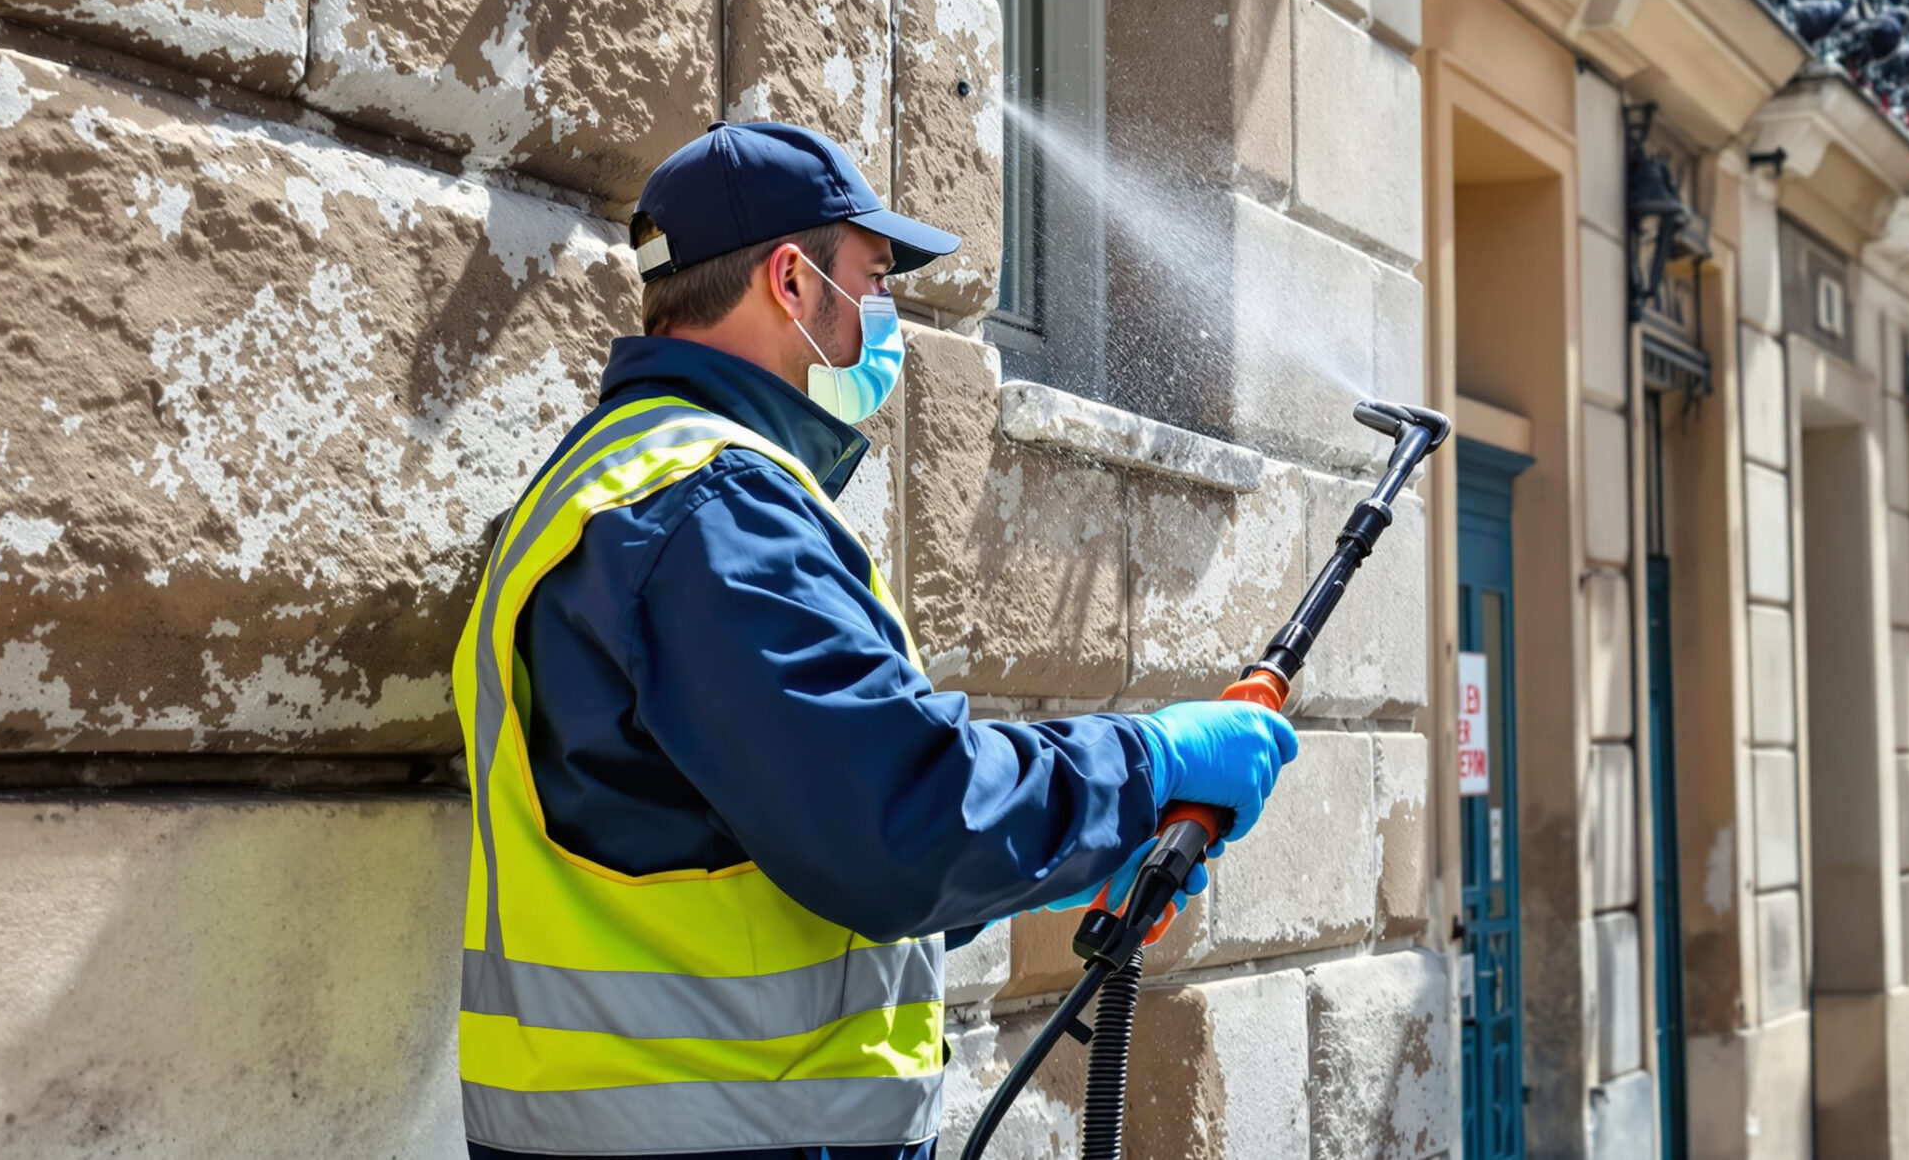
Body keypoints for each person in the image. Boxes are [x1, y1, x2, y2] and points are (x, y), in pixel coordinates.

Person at [453, 121, 1300, 1160]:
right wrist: (1147, 764)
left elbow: (774, 844)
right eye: (875, 274)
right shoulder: (712, 510)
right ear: (792, 282)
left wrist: (1075, 856)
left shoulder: (611, 485)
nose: (887, 312)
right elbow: (899, 823)